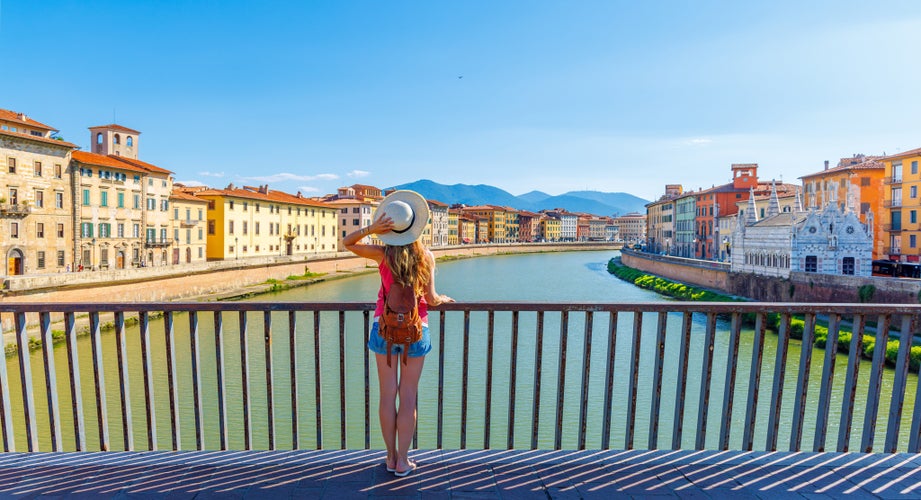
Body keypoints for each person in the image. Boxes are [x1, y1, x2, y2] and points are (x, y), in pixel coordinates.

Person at [343, 190, 454, 477]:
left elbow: (347, 242)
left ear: (390, 228)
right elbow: (430, 299)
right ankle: (404, 460)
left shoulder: (382, 254)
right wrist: (443, 298)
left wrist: (371, 229)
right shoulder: (425, 257)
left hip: (384, 328)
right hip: (417, 332)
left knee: (386, 395)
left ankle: (390, 457)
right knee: (408, 396)